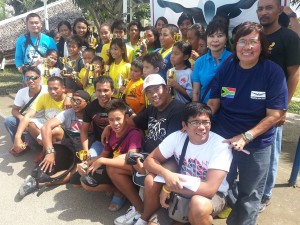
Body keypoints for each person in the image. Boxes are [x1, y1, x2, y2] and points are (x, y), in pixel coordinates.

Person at [207, 21, 288, 225]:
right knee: (219, 184)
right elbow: (214, 100)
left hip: (256, 143)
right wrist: (200, 120)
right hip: (224, 138)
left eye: (253, 42)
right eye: (242, 41)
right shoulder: (227, 67)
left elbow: (275, 115)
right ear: (236, 45)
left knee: (250, 194)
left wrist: (246, 137)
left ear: (262, 46)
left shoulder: (273, 72)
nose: (247, 47)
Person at [134, 102, 233, 225]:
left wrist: (168, 187)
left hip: (209, 197)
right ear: (184, 125)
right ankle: (147, 217)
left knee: (198, 205)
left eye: (206, 122)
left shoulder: (220, 145)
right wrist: (166, 174)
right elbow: (150, 160)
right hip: (180, 193)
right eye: (195, 122)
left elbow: (209, 189)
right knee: (151, 180)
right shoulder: (177, 137)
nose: (202, 127)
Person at [106, 74, 184, 225]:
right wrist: (110, 127)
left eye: (157, 89)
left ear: (167, 88)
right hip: (147, 156)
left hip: (167, 159)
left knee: (150, 180)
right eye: (149, 92)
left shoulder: (177, 109)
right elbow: (132, 122)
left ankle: (144, 218)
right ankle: (139, 208)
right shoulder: (152, 109)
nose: (153, 94)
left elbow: (170, 147)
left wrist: (145, 161)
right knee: (112, 167)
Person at [256, 0, 300, 212]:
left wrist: (283, 108)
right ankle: (255, 188)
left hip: (274, 108)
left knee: (272, 151)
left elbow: (294, 74)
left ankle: (265, 194)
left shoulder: (288, 37)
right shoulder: (255, 37)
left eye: (268, 8)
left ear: (279, 9)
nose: (263, 12)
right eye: (260, 8)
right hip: (252, 105)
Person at [18, 90, 90, 198]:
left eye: (78, 101)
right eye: (73, 100)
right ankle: (41, 167)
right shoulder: (68, 112)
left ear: (87, 103)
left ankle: (38, 184)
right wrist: (49, 152)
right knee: (54, 131)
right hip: (69, 148)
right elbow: (46, 127)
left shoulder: (92, 115)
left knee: (74, 173)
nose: (74, 103)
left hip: (85, 151)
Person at [77, 99, 143, 211]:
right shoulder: (111, 132)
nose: (115, 123)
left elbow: (133, 159)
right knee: (85, 180)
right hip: (115, 167)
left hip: (132, 169)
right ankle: (119, 189)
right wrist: (85, 164)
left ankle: (139, 208)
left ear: (126, 117)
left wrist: (103, 161)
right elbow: (104, 154)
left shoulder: (134, 134)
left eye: (118, 119)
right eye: (111, 120)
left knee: (110, 167)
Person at [12, 76, 66, 156]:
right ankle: (47, 149)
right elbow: (28, 116)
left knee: (54, 131)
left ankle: (46, 152)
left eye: (55, 88)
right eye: (50, 89)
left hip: (62, 129)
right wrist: (17, 137)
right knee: (30, 123)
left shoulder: (69, 101)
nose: (52, 91)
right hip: (46, 126)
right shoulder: (44, 96)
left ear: (63, 88)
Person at [4, 66, 48, 146]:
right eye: (27, 78)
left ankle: (39, 144)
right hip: (29, 119)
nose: (30, 81)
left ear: (40, 78)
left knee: (35, 137)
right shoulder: (22, 92)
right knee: (9, 120)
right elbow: (14, 110)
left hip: (45, 120)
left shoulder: (47, 90)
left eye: (33, 78)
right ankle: (19, 144)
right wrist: (22, 118)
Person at [192, 18, 232, 104]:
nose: (215, 40)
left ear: (226, 39)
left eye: (220, 36)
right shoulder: (199, 62)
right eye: (211, 36)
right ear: (206, 39)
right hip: (206, 112)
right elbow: (196, 92)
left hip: (228, 112)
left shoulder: (234, 59)